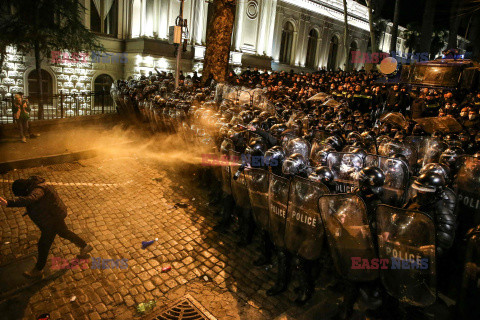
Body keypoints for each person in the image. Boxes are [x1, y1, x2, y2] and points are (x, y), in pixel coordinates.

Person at [0, 176, 92, 279]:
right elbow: (37, 201)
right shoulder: (34, 185)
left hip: (52, 219)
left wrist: (9, 203)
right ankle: (84, 246)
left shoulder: (38, 190)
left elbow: (32, 198)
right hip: (55, 214)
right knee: (64, 232)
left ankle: (38, 270)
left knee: (43, 245)